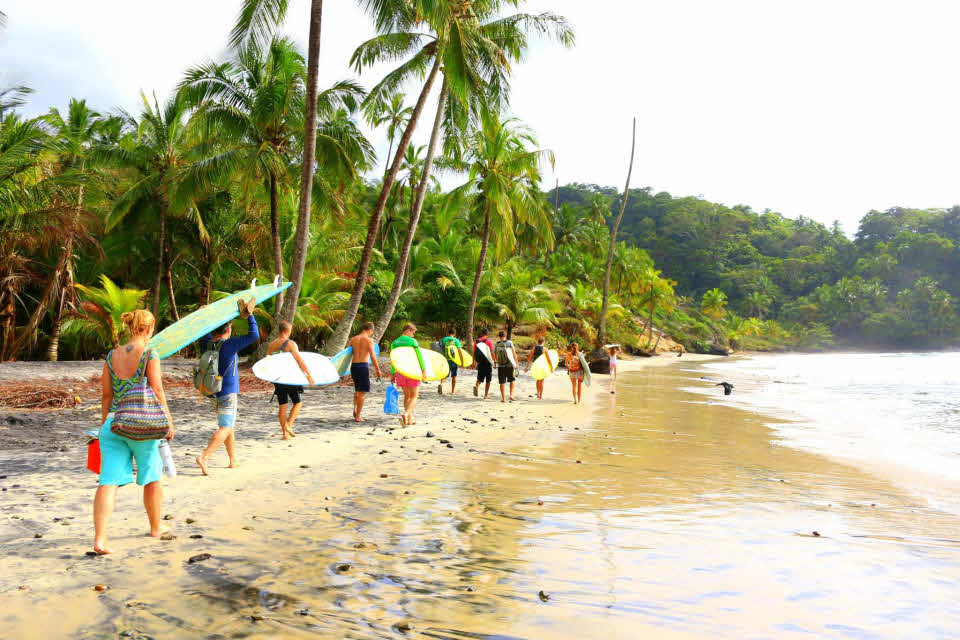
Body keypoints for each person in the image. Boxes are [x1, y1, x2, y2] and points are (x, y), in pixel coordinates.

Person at [93, 309, 173, 555]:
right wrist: (168, 421)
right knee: (152, 476)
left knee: (108, 481)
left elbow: (107, 395)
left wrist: (105, 422)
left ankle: (100, 539)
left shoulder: (111, 355)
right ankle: (155, 528)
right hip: (142, 425)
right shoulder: (150, 352)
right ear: (149, 329)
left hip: (114, 423)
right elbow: (157, 389)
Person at [195, 299, 259, 476]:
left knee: (228, 425)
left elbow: (205, 329)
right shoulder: (229, 345)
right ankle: (204, 456)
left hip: (212, 391)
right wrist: (249, 315)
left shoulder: (207, 342)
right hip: (227, 391)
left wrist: (205, 315)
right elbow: (254, 336)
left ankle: (233, 460)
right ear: (228, 330)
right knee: (225, 427)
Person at [265, 321, 315, 439]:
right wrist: (308, 375)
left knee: (283, 405)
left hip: (278, 378)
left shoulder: (271, 344)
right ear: (287, 330)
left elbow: (267, 362)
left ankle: (285, 434)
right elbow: (300, 361)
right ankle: (288, 426)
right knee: (298, 402)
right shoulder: (291, 344)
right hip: (290, 377)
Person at [390, 323, 424, 426]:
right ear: (408, 330)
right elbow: (419, 357)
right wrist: (423, 370)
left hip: (400, 372)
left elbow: (393, 359)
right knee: (414, 396)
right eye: (413, 332)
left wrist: (393, 373)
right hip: (412, 371)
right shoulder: (412, 341)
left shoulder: (395, 342)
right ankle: (406, 414)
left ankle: (409, 420)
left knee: (407, 396)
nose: (413, 335)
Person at [348, 322, 382, 422]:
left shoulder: (353, 339)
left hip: (354, 366)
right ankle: (358, 416)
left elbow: (346, 353)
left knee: (357, 390)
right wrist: (377, 369)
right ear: (370, 330)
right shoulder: (368, 340)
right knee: (362, 392)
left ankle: (355, 409)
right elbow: (372, 355)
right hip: (363, 366)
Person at [494, 330, 519, 403]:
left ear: (499, 337)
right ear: (505, 336)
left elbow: (495, 355)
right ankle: (511, 395)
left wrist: (495, 364)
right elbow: (514, 354)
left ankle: (503, 398)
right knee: (511, 380)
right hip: (510, 364)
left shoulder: (497, 344)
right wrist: (516, 364)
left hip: (501, 365)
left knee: (502, 382)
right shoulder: (510, 343)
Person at [439, 327, 463, 395]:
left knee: (445, 374)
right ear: (454, 334)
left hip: (445, 359)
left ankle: (441, 384)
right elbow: (459, 351)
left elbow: (441, 348)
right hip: (453, 360)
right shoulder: (456, 340)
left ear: (448, 333)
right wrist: (461, 361)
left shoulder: (444, 339)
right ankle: (452, 391)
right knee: (454, 376)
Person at [472, 328, 495, 399]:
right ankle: (486, 395)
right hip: (487, 363)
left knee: (479, 378)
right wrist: (494, 361)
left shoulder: (477, 341)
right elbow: (492, 352)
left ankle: (477, 386)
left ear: (481, 333)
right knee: (488, 380)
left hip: (480, 363)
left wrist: (473, 363)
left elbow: (474, 353)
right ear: (487, 334)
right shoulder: (488, 342)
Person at [525, 335, 549, 399]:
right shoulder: (545, 349)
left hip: (535, 366)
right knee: (541, 380)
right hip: (542, 366)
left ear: (538, 342)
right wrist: (551, 367)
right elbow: (548, 360)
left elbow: (529, 358)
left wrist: (527, 367)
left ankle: (538, 394)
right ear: (543, 342)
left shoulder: (534, 348)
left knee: (538, 380)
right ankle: (540, 396)